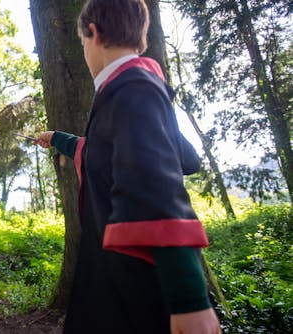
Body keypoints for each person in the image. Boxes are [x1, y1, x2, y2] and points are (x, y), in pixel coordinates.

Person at [34, 0, 221, 333]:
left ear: (92, 33)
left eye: (81, 44)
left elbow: (154, 185)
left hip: (135, 286)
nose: (85, 54)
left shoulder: (132, 86)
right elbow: (118, 156)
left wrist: (190, 300)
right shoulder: (140, 85)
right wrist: (58, 138)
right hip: (117, 277)